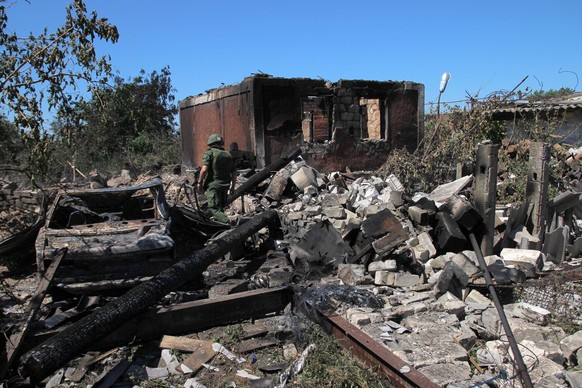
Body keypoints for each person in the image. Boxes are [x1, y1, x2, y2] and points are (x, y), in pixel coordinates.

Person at [197, 134, 236, 223]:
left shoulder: (210, 153)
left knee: (214, 208)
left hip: (214, 186)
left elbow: (204, 169)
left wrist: (199, 182)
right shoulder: (227, 154)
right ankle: (221, 225)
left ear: (210, 143)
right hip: (225, 186)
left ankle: (229, 223)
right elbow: (234, 172)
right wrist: (232, 187)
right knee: (220, 208)